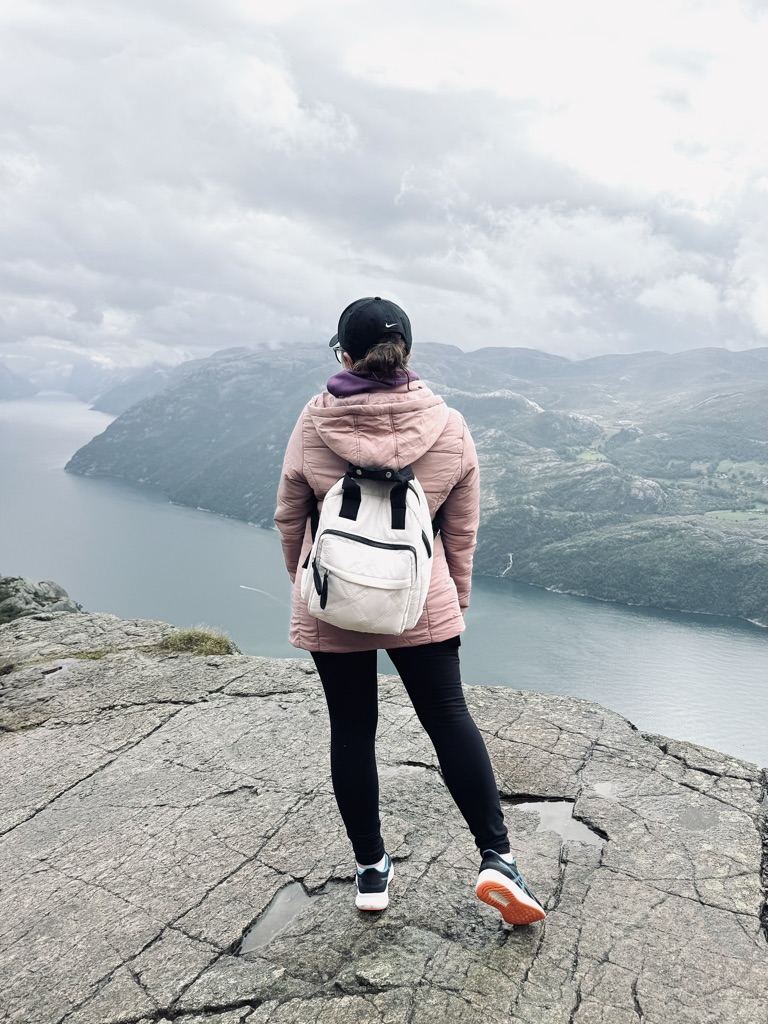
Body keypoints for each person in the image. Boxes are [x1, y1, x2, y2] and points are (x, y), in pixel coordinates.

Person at [274, 296, 546, 926]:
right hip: (421, 597)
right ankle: (496, 859)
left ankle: (372, 872)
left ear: (343, 354)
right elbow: (462, 529)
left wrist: (310, 587)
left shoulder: (314, 421)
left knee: (352, 729)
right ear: (408, 353)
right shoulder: (448, 424)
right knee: (449, 720)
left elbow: (292, 514)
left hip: (334, 598)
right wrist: (452, 603)